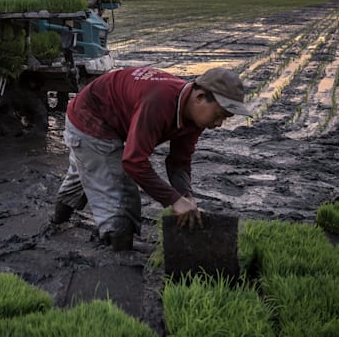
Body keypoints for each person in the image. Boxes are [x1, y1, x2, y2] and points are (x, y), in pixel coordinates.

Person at [51, 66, 252, 251]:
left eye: (225, 119)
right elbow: (133, 162)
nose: (218, 123)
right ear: (199, 96)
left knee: (88, 170)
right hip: (91, 120)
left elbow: (178, 161)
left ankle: (55, 225)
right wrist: (173, 200)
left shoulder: (193, 117)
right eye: (218, 115)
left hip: (109, 119)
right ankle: (120, 258)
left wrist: (185, 195)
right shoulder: (159, 101)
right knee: (122, 198)